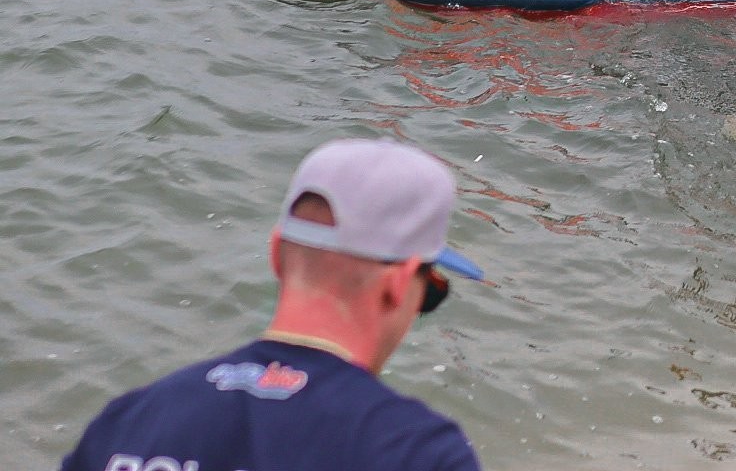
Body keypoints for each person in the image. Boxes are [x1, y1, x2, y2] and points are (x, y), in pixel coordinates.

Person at [61, 139, 488, 471]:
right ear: (397, 284)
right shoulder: (415, 451)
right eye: (429, 291)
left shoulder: (128, 424)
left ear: (276, 253)